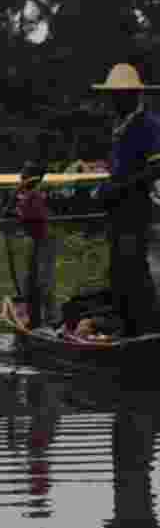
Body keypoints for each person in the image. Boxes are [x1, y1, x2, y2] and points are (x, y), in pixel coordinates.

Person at [92, 62, 160, 337]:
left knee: (134, 268)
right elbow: (120, 169)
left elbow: (156, 168)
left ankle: (143, 330)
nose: (112, 101)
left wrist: (120, 188)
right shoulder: (120, 126)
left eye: (118, 95)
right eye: (112, 95)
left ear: (133, 95)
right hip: (118, 212)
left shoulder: (149, 125)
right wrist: (106, 189)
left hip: (135, 209)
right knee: (119, 269)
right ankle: (126, 326)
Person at [8, 161, 59, 329]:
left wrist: (17, 207)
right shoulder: (28, 195)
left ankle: (50, 320)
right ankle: (36, 318)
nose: (21, 176)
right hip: (37, 241)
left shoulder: (34, 196)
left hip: (43, 242)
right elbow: (12, 212)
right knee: (31, 282)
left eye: (25, 173)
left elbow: (31, 218)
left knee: (42, 283)